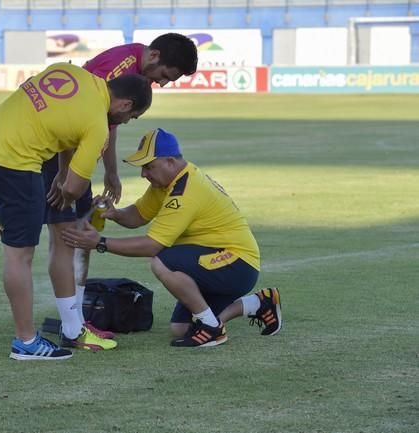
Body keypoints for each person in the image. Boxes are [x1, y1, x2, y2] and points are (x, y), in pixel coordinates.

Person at [0, 62, 153, 360]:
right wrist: (73, 192)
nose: (124, 121)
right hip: (17, 165)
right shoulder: (97, 126)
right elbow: (72, 190)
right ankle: (26, 341)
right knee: (19, 254)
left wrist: (60, 170)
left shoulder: (70, 72)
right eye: (130, 116)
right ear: (125, 103)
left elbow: (61, 127)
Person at [42, 33, 199, 350]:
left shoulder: (131, 72)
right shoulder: (121, 67)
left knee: (76, 235)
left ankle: (75, 322)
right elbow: (88, 117)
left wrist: (111, 170)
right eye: (165, 76)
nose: (163, 84)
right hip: (63, 155)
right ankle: (73, 327)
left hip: (71, 156)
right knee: (68, 237)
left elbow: (106, 123)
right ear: (154, 56)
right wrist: (67, 171)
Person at [61, 128, 282, 347]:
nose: (143, 174)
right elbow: (138, 215)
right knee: (180, 329)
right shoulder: (168, 182)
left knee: (162, 261)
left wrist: (99, 243)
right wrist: (116, 214)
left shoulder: (185, 190)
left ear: (169, 161)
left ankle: (212, 329)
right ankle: (259, 303)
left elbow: (151, 246)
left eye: (148, 167)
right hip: (214, 261)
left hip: (237, 263)